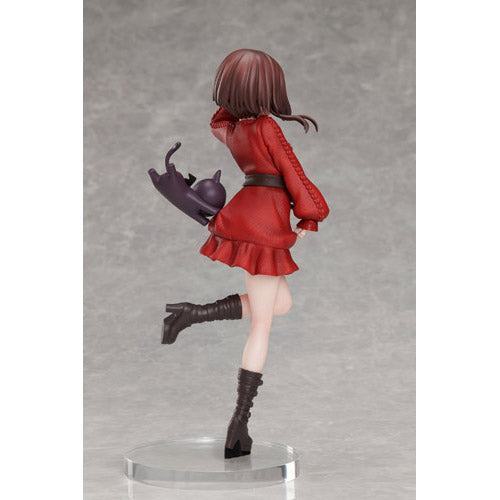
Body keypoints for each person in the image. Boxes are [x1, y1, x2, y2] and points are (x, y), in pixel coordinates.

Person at [162, 49, 330, 458]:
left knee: (280, 304)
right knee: (262, 326)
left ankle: (192, 313)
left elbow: (217, 121)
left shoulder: (233, 129)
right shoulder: (267, 126)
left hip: (245, 212)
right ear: (269, 88)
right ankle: (239, 426)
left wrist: (233, 98)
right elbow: (292, 170)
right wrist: (311, 213)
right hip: (265, 221)